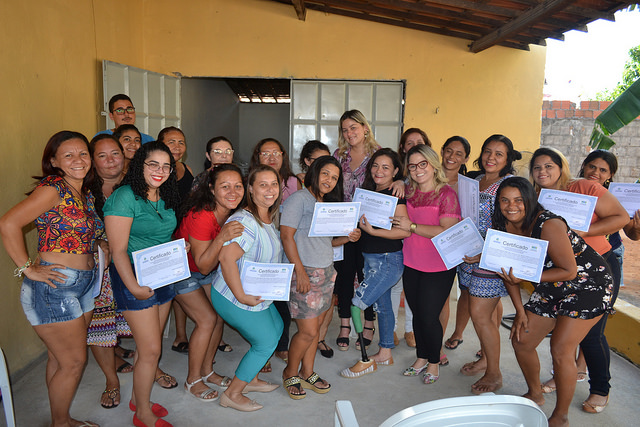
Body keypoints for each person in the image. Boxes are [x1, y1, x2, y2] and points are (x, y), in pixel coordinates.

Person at [0, 130, 103, 427]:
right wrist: (28, 268)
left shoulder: (84, 192)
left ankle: (61, 419)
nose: (78, 160)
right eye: (68, 155)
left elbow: (79, 233)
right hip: (54, 288)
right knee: (74, 362)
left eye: (83, 153)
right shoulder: (54, 187)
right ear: (54, 161)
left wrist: (98, 245)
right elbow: (8, 223)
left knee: (60, 359)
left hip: (82, 284)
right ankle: (61, 423)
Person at [493, 176, 613, 427]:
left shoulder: (549, 224)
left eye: (518, 200)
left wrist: (525, 276)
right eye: (504, 200)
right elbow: (507, 273)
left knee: (560, 349)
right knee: (521, 339)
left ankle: (561, 417)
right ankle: (535, 394)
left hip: (587, 284)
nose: (511, 205)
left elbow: (569, 271)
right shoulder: (503, 225)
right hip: (550, 284)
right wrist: (519, 310)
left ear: (530, 201)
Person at [529, 147, 628, 414]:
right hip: (560, 270)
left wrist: (587, 230)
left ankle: (600, 388)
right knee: (564, 333)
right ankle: (565, 376)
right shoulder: (534, 197)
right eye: (537, 168)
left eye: (549, 166)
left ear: (562, 167)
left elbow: (621, 218)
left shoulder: (585, 187)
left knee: (591, 335)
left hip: (596, 268)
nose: (543, 172)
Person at [104, 141, 182, 427]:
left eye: (166, 166)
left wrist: (177, 250)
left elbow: (161, 236)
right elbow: (119, 250)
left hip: (162, 274)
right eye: (153, 164)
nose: (160, 171)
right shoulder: (124, 197)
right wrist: (134, 287)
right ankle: (143, 414)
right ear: (140, 165)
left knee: (148, 347)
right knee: (150, 350)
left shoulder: (165, 194)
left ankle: (139, 399)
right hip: (132, 277)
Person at [211, 165, 284, 412]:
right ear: (250, 190)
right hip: (234, 295)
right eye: (262, 185)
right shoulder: (245, 221)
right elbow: (226, 259)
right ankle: (232, 394)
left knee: (277, 328)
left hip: (255, 291)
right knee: (265, 341)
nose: (270, 190)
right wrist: (241, 295)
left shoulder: (266, 217)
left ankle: (250, 379)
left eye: (273, 184)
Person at [172, 164, 245, 401]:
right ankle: (192, 380)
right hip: (181, 271)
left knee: (219, 316)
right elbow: (203, 264)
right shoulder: (201, 216)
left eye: (238, 186)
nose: (233, 192)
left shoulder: (234, 212)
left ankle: (208, 371)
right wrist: (222, 236)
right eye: (225, 187)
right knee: (207, 320)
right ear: (212, 190)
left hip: (207, 270)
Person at [281, 155, 349, 397]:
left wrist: (348, 238)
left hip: (326, 271)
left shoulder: (326, 202)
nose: (329, 180)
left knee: (317, 327)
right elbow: (287, 236)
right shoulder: (299, 199)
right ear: (314, 172)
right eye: (325, 174)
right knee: (308, 331)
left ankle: (307, 372)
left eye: (334, 177)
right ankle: (290, 372)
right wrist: (299, 270)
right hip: (305, 272)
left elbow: (325, 241)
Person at [459, 134, 521, 394]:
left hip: (491, 258)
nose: (491, 157)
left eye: (498, 154)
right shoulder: (474, 180)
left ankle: (494, 373)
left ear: (507, 160)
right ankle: (485, 357)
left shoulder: (510, 184)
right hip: (466, 255)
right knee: (487, 313)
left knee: (481, 315)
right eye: (487, 151)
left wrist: (486, 250)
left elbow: (515, 224)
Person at [393, 145, 461, 384]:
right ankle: (421, 357)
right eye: (412, 166)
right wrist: (401, 181)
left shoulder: (446, 194)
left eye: (423, 164)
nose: (418, 170)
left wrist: (410, 227)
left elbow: (446, 231)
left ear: (433, 165)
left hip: (439, 265)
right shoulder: (408, 191)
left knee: (429, 316)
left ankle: (434, 362)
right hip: (412, 261)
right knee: (418, 314)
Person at [340, 148, 410, 378]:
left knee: (356, 304)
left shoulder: (397, 193)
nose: (379, 171)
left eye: (386, 167)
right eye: (376, 166)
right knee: (384, 308)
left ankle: (365, 359)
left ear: (396, 171)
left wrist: (374, 232)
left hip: (388, 260)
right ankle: (385, 352)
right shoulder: (367, 192)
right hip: (370, 259)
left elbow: (404, 232)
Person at [86, 134, 134, 410]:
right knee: (100, 325)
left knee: (140, 318)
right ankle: (111, 382)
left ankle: (149, 369)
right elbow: (71, 230)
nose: (110, 160)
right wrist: (96, 242)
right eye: (101, 155)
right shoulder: (82, 189)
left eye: (115, 153)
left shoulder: (134, 186)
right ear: (93, 160)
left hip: (130, 264)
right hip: (98, 271)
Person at [249, 138, 302, 365]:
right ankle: (262, 347)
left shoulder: (293, 181)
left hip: (285, 244)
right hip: (261, 243)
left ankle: (280, 345)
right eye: (265, 153)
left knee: (282, 297)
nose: (271, 158)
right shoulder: (251, 181)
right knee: (260, 295)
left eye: (276, 153)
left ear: (283, 155)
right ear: (257, 157)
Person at [332, 110, 380, 351]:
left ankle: (368, 323)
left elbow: (393, 179)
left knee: (366, 278)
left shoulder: (378, 155)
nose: (349, 133)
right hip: (342, 226)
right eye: (344, 129)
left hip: (369, 228)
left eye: (353, 127)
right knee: (343, 275)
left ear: (365, 128)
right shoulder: (338, 156)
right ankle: (344, 325)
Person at [391, 127, 431, 348]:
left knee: (414, 293)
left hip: (420, 239)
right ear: (403, 148)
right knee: (396, 286)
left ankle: (411, 330)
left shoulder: (429, 176)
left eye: (419, 141)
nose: (414, 144)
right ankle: (393, 329)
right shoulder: (399, 178)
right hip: (399, 239)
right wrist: (399, 181)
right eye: (409, 142)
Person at [157, 126, 195, 356]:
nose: (177, 147)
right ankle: (153, 349)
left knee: (180, 285)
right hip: (163, 238)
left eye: (181, 142)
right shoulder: (156, 173)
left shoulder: (186, 169)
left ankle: (181, 334)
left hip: (185, 235)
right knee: (164, 293)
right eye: (171, 142)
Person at [440, 136, 472, 353]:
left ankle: (458, 333)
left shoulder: (469, 185)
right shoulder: (428, 178)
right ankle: (436, 347)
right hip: (437, 245)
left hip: (465, 247)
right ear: (441, 151)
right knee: (441, 298)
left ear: (466, 158)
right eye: (449, 151)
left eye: (458, 154)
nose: (452, 157)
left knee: (468, 292)